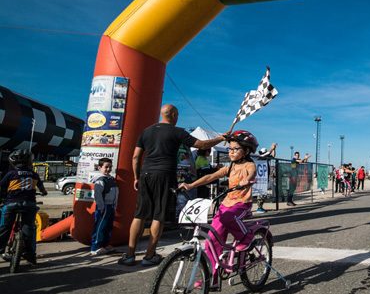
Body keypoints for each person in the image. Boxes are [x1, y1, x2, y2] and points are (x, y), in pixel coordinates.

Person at [119, 104, 225, 267]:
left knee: (139, 214)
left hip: (146, 174)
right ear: (174, 115)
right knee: (158, 216)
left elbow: (135, 157)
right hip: (165, 175)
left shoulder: (146, 131)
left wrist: (136, 177)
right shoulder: (177, 132)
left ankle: (129, 255)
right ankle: (149, 255)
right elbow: (202, 145)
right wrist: (221, 138)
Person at [179, 130, 258, 274]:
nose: (231, 152)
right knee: (212, 238)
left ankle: (247, 237)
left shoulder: (248, 165)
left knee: (229, 217)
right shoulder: (230, 167)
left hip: (242, 204)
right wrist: (191, 185)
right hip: (226, 204)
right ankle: (212, 276)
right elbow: (211, 176)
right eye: (230, 149)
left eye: (235, 149)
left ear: (246, 150)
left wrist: (247, 180)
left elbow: (252, 173)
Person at [0, 149, 47, 265]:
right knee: (30, 228)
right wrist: (43, 192)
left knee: (4, 228)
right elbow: (42, 189)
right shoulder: (34, 174)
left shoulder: (11, 174)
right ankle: (30, 255)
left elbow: (2, 187)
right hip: (29, 204)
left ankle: (1, 248)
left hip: (11, 204)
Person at [90, 157, 119, 256]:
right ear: (100, 167)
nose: (108, 169)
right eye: (106, 167)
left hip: (111, 206)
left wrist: (114, 205)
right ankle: (95, 247)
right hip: (104, 207)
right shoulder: (100, 180)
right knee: (100, 227)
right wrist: (102, 207)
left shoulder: (111, 179)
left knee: (108, 226)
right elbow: (98, 195)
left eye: (110, 167)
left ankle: (105, 244)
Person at [254, 143, 277, 214]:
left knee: (263, 193)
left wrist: (274, 149)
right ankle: (259, 207)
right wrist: (272, 148)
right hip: (260, 178)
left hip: (265, 178)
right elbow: (267, 153)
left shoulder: (266, 158)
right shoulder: (260, 157)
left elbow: (273, 155)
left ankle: (260, 207)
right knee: (260, 193)